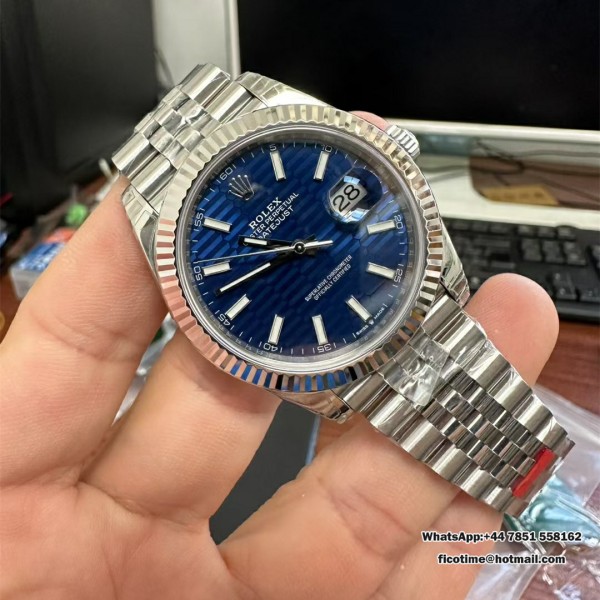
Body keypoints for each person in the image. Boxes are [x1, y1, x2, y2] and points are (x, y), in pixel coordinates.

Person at [0, 112, 559, 599]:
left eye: (299, 244)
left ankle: (534, 474)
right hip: (332, 352)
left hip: (408, 298)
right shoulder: (193, 256)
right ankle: (529, 483)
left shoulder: (297, 142)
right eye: (292, 250)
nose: (299, 248)